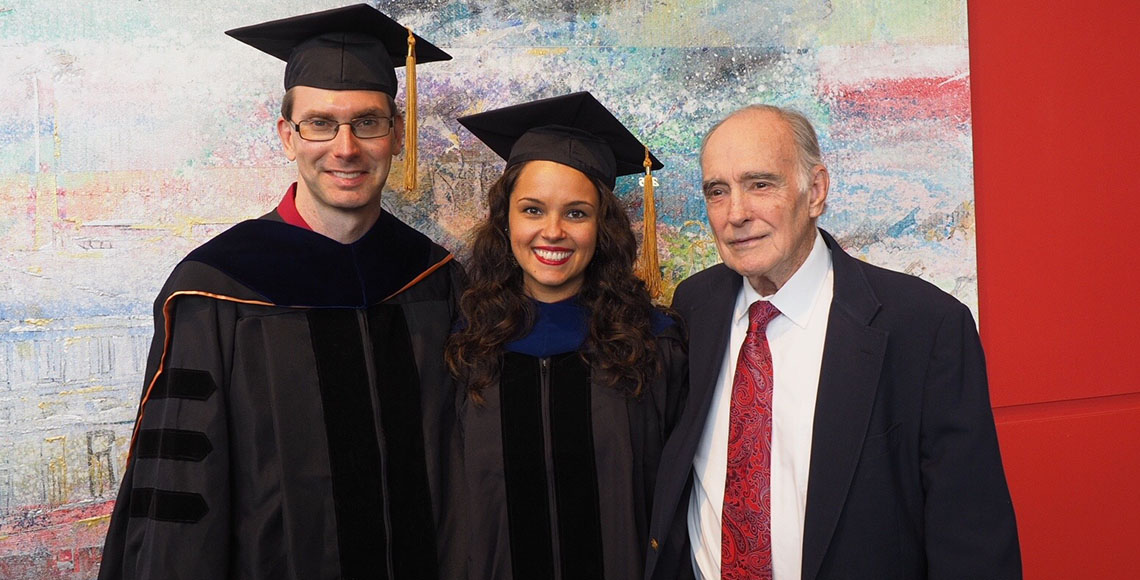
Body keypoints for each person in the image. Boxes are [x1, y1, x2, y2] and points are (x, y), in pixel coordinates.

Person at [98, 5, 464, 579]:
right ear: (287, 136)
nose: (345, 148)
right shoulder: (216, 290)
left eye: (367, 122)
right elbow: (180, 494)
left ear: (396, 135)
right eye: (320, 123)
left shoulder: (434, 280)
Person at [645, 105, 1021, 580]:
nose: (736, 213)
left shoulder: (925, 328)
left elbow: (973, 543)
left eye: (760, 184)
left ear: (815, 191)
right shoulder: (695, 306)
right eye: (718, 191)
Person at [447, 91, 688, 580]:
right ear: (506, 219)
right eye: (532, 210)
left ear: (603, 225)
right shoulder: (468, 346)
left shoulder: (651, 345)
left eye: (576, 213)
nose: (552, 231)